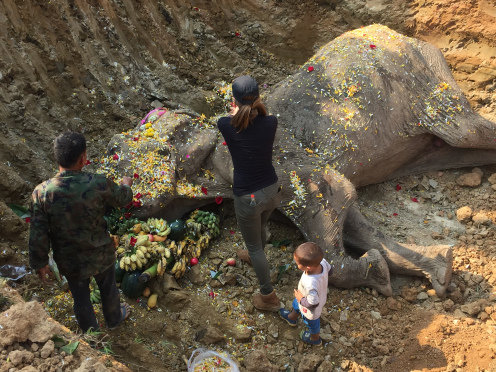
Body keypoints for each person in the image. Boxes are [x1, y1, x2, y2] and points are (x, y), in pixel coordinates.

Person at [29, 131, 133, 333]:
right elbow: (122, 199)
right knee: (108, 288)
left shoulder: (42, 193)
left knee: (80, 297)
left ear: (56, 157)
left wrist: (40, 263)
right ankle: (114, 319)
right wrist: (126, 185)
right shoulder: (98, 183)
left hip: (70, 260)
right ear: (83, 158)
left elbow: (38, 232)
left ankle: (91, 332)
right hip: (101, 253)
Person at [217, 75, 282, 311]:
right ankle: (257, 254)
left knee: (254, 247)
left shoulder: (225, 125)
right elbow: (260, 116)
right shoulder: (271, 122)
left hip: (249, 197)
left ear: (233, 101)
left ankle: (268, 296)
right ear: (259, 98)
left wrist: (236, 111)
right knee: (260, 232)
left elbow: (232, 120)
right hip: (272, 191)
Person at [279, 242, 332, 345]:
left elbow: (313, 303)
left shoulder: (310, 283)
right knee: (296, 304)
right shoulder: (323, 262)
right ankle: (292, 318)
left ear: (308, 267)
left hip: (310, 309)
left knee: (312, 323)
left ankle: (315, 339)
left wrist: (301, 299)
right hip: (305, 296)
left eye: (297, 263)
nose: (296, 263)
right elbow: (330, 271)